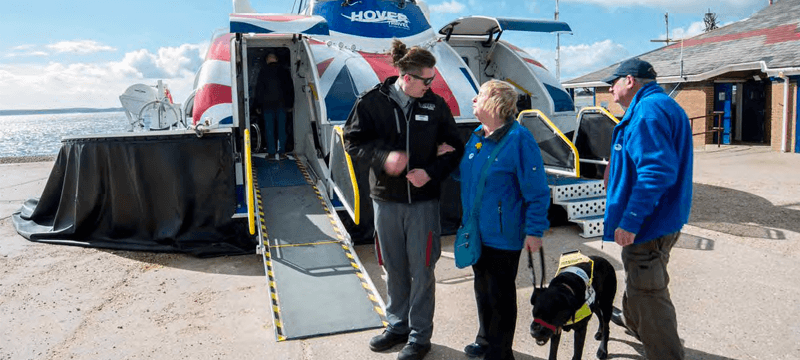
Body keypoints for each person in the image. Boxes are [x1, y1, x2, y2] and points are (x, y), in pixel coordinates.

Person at [343, 39, 464, 360]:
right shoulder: (371, 103)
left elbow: (455, 147)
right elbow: (351, 142)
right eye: (427, 80)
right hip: (385, 202)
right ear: (407, 77)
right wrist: (384, 158)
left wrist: (431, 172)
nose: (431, 85)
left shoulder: (435, 106)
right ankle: (397, 325)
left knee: (422, 269)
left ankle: (420, 334)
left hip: (424, 203)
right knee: (392, 267)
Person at [602, 58, 692, 360]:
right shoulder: (659, 105)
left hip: (649, 225)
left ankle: (666, 352)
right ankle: (635, 322)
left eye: (612, 83)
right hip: (661, 221)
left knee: (649, 293)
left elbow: (656, 171)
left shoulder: (647, 112)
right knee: (639, 280)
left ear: (630, 80)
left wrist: (630, 221)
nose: (610, 90)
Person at [458, 80, 550, 360]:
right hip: (476, 231)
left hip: (504, 234)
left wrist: (534, 231)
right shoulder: (476, 135)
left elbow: (537, 191)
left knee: (500, 297)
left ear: (496, 103)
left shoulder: (520, 139)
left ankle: (500, 352)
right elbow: (466, 175)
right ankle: (485, 340)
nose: (474, 100)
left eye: (480, 95)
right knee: (482, 290)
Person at [255, 52, 294, 159]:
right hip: (282, 105)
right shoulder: (284, 71)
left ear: (268, 59)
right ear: (276, 59)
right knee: (282, 129)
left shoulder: (263, 71)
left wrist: (257, 105)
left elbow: (259, 90)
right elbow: (290, 88)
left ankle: (271, 153)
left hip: (267, 105)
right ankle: (282, 152)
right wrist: (290, 104)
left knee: (269, 129)